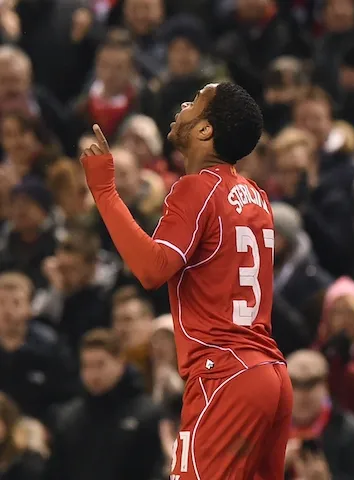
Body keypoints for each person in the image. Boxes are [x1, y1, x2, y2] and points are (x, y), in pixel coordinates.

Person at [77, 82, 292, 479]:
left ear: (206, 130)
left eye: (194, 102)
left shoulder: (197, 188)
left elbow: (152, 269)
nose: (183, 105)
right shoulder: (257, 196)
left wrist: (104, 191)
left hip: (224, 373)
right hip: (270, 373)